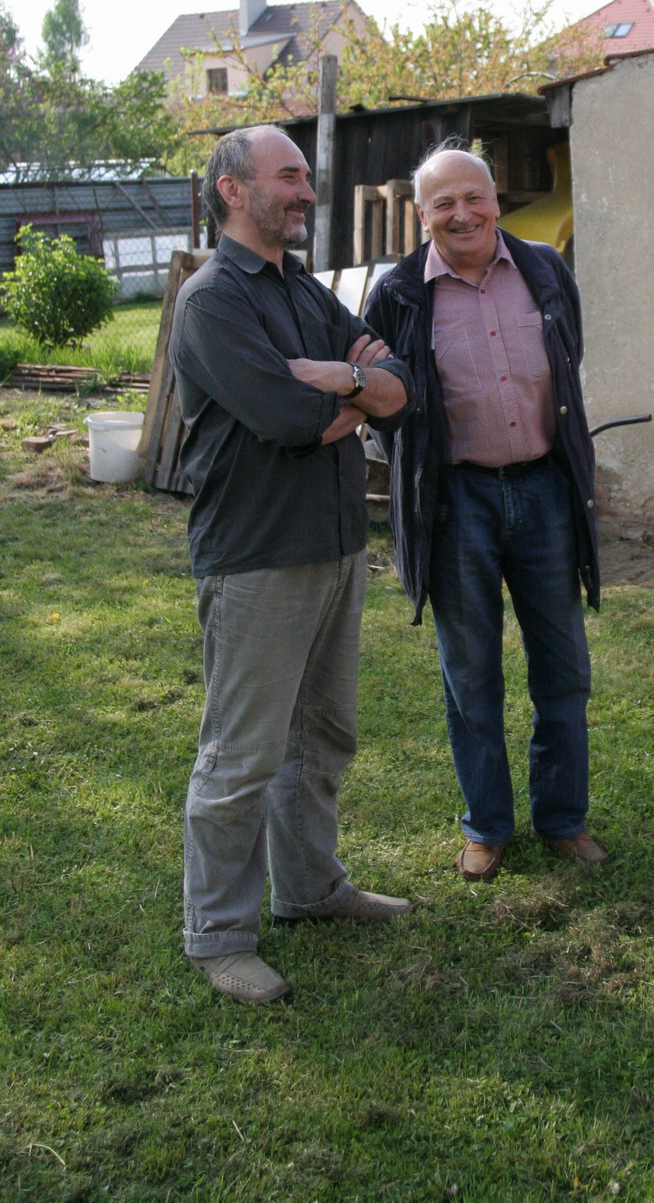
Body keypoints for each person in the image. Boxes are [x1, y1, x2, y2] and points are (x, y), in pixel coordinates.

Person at [171, 125, 414, 1003]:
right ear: (234, 190)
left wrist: (339, 379)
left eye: (307, 177)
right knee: (242, 756)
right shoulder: (212, 301)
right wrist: (349, 395)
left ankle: (310, 889)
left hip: (336, 545)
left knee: (322, 735)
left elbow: (400, 387)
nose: (307, 192)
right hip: (257, 556)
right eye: (289, 176)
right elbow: (286, 421)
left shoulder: (305, 289)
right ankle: (218, 934)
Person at [364, 144, 604, 884]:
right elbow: (384, 404)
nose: (462, 214)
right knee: (470, 673)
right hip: (455, 500)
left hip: (545, 489)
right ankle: (487, 824)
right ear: (422, 213)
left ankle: (562, 818)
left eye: (474, 197)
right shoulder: (397, 293)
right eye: (443, 203)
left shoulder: (544, 269)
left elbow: (569, 360)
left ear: (496, 201)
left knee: (562, 667)